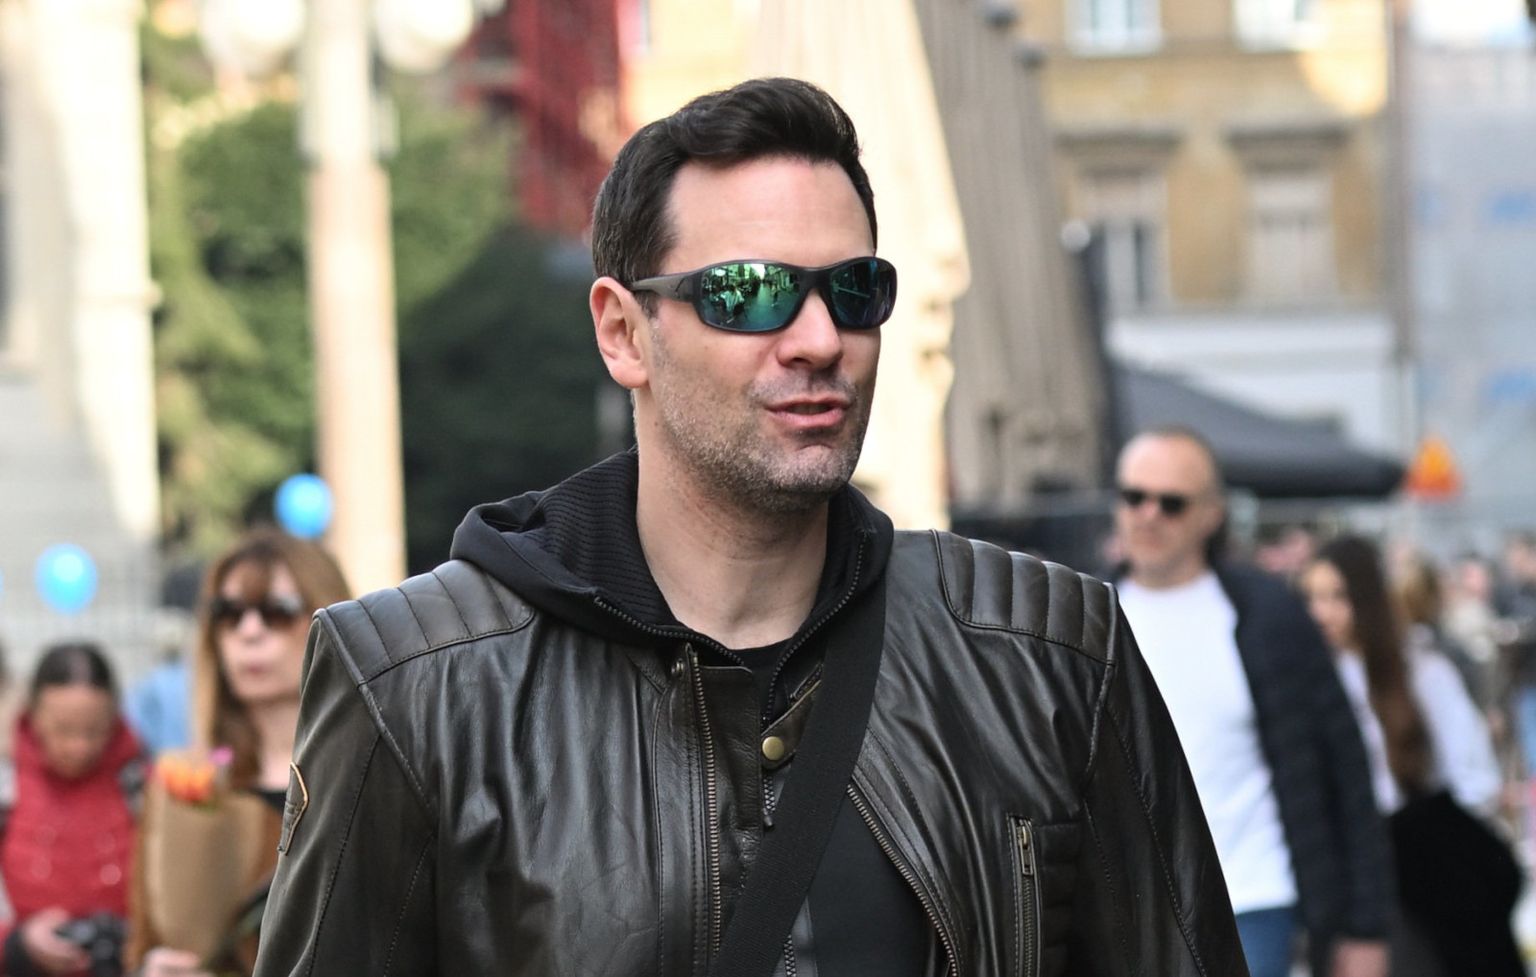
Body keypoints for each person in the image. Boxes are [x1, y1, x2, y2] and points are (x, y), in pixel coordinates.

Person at [254, 78, 1248, 977]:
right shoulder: (414, 682)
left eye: (853, 291)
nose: (819, 340)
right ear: (623, 332)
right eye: (750, 293)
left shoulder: (1048, 651)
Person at [1109, 427, 1392, 977]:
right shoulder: (1086, 616)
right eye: (1133, 496)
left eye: (1171, 503)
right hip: (1126, 908)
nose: (1148, 515)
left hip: (1253, 899)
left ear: (1211, 514)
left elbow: (1344, 769)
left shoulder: (1268, 615)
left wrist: (1365, 926)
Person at [130, 529, 348, 977]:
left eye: (277, 611)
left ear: (330, 621)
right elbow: (143, 942)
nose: (249, 631)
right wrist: (151, 967)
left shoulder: (376, 778)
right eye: (228, 614)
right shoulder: (186, 786)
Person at [1301, 536, 1518, 977]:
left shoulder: (1418, 670)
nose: (1322, 612)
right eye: (1312, 598)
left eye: (1338, 596)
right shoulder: (1303, 676)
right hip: (1344, 870)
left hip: (1419, 868)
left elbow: (1473, 771)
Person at [0, 642, 140, 977]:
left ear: (114, 718)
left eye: (94, 731)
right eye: (63, 730)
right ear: (33, 716)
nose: (79, 746)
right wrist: (17, 943)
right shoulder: (7, 786)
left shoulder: (137, 781)